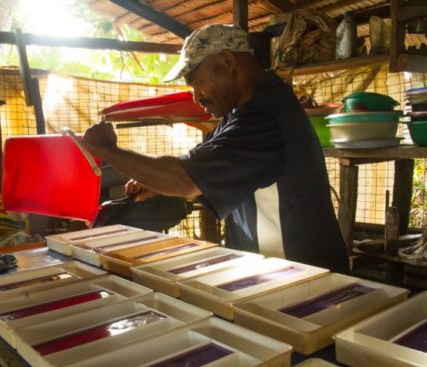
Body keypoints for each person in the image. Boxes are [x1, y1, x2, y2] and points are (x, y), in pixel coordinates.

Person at [82, 24, 349, 272]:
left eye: (197, 82)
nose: (196, 97)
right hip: (273, 269)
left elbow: (185, 180)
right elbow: (198, 165)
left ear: (227, 62)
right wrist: (153, 181)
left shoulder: (264, 117)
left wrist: (108, 150)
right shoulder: (243, 112)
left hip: (303, 274)